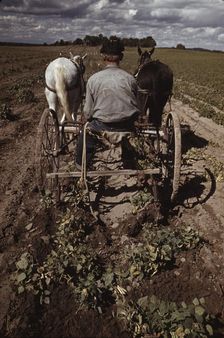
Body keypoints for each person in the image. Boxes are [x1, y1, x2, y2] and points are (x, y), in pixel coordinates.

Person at [76, 37, 141, 168]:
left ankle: (80, 166)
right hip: (127, 126)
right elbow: (136, 105)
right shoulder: (130, 79)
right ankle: (128, 159)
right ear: (121, 57)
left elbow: (88, 113)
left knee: (84, 138)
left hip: (101, 126)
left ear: (103, 57)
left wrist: (87, 118)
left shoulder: (93, 80)